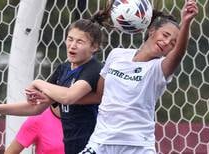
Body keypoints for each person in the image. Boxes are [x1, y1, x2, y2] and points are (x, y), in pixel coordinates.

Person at [77, 0, 198, 153]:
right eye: (165, 35)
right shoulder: (116, 55)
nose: (167, 42)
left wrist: (186, 22)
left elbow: (179, 54)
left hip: (137, 146)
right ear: (152, 31)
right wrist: (58, 99)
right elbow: (101, 95)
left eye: (173, 43)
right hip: (101, 142)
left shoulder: (159, 69)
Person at [0, 13, 106, 154]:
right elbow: (36, 108)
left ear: (94, 47)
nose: (72, 45)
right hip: (71, 147)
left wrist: (38, 82)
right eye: (70, 39)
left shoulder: (95, 69)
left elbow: (69, 97)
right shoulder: (63, 69)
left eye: (79, 42)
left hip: (94, 147)